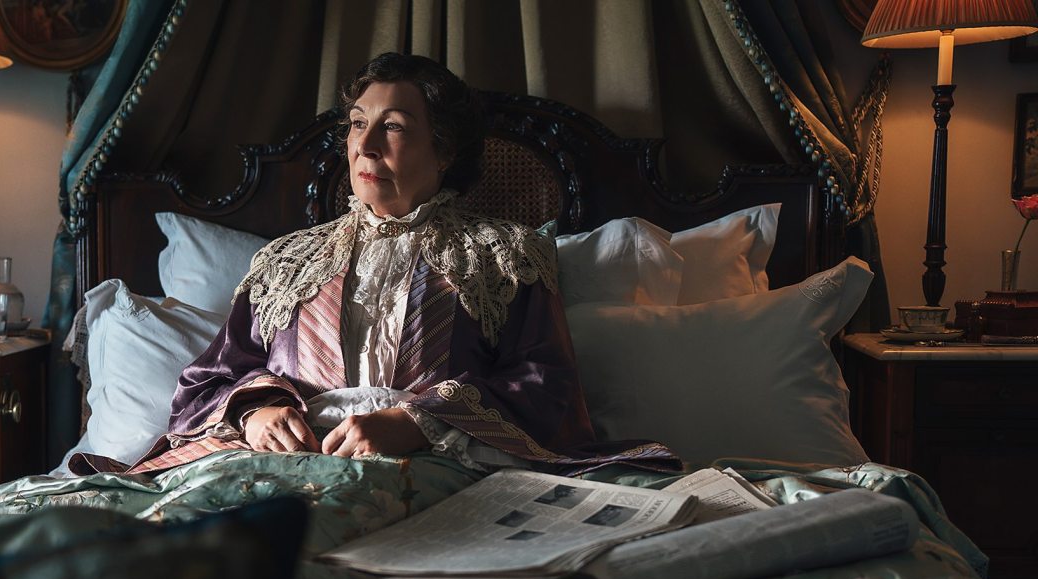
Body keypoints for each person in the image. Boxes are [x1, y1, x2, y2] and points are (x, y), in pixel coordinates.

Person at [72, 53, 669, 476]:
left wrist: (417, 422)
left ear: (444, 151)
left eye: (394, 127)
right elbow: (206, 383)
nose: (365, 145)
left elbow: (549, 389)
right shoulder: (284, 262)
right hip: (273, 470)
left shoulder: (503, 256)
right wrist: (258, 412)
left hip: (437, 468)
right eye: (359, 124)